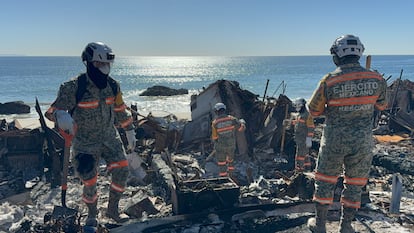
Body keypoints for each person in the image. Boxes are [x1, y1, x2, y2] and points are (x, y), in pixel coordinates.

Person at [46, 42, 136, 227]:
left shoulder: (113, 86)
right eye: (100, 64)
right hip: (84, 143)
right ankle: (92, 213)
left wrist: (129, 130)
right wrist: (60, 116)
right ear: (89, 63)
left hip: (110, 138)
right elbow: (51, 111)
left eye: (107, 64)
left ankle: (113, 209)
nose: (105, 68)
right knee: (89, 180)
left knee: (122, 170)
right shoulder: (73, 87)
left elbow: (120, 109)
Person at [307, 35, 387, 233]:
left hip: (335, 140)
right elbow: (382, 105)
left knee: (325, 181)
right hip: (362, 142)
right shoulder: (377, 79)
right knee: (355, 184)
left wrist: (333, 110)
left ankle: (320, 225)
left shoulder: (329, 81)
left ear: (337, 55)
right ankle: (346, 226)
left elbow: (313, 110)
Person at [211, 102, 246, 178]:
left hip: (220, 146)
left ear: (217, 111)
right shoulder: (232, 119)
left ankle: (224, 178)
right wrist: (242, 123)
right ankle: (231, 175)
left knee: (222, 163)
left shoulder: (215, 123)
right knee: (230, 161)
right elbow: (241, 129)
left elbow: (214, 137)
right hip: (231, 145)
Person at [284, 98, 315, 172]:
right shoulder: (300, 115)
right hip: (299, 139)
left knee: (300, 156)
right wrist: (289, 122)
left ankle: (299, 171)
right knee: (306, 155)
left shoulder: (307, 115)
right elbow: (299, 124)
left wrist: (309, 139)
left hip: (304, 139)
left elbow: (311, 127)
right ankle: (307, 170)